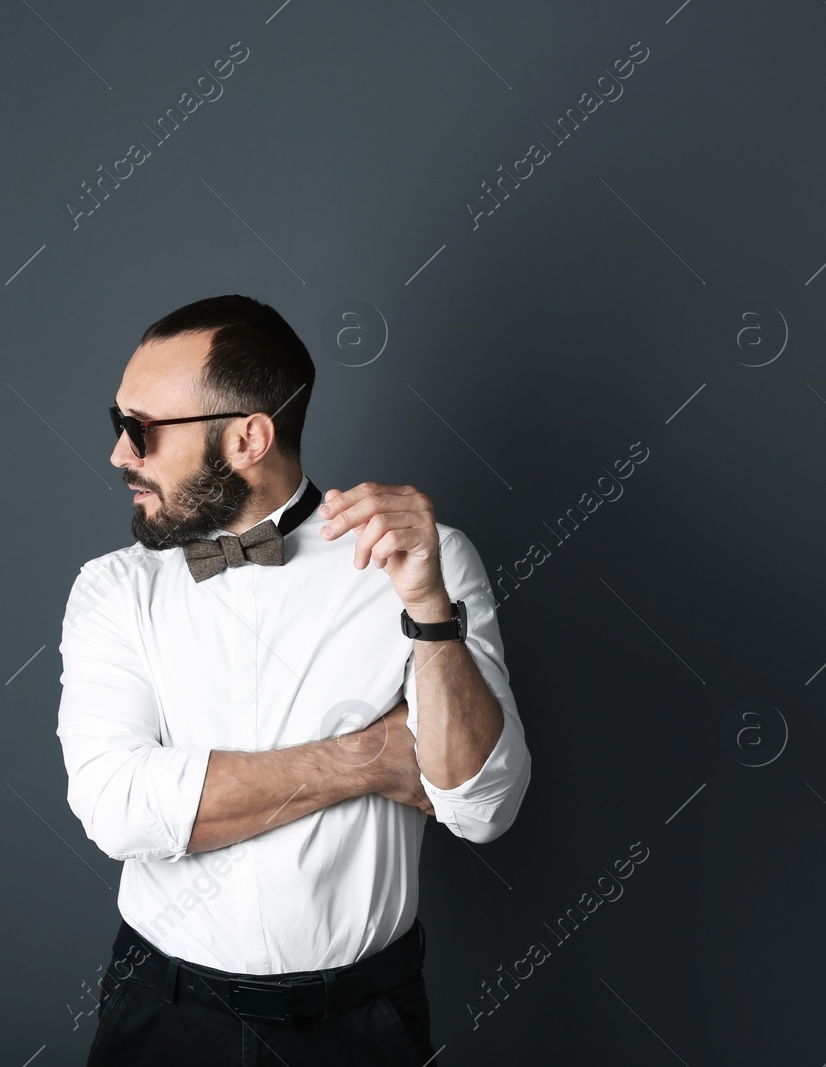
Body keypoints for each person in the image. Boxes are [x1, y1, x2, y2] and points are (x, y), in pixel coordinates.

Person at [57, 294, 531, 1064]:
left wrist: (428, 610)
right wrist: (370, 758)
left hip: (361, 1025)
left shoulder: (425, 562)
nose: (119, 455)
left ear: (248, 436)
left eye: (138, 430)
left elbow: (482, 807)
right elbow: (120, 809)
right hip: (165, 1016)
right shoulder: (112, 589)